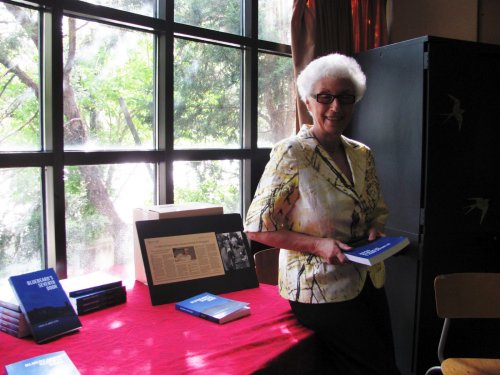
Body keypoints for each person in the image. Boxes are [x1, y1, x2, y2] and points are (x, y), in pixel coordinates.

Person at [244, 53, 401, 375]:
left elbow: (376, 210)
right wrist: (318, 245)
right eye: (325, 97)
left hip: (368, 279)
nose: (335, 107)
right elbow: (256, 228)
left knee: (382, 362)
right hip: (317, 288)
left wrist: (375, 228)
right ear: (307, 100)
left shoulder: (361, 154)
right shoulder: (293, 152)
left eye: (345, 98)